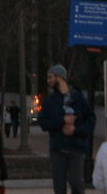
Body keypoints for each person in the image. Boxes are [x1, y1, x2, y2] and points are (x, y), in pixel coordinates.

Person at [36, 64, 95, 194]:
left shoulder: (78, 98)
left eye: (50, 77)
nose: (48, 80)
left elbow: (90, 120)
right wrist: (61, 121)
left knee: (76, 182)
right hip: (57, 148)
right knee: (59, 186)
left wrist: (76, 130)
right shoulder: (50, 101)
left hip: (76, 147)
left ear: (60, 77)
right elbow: (43, 123)